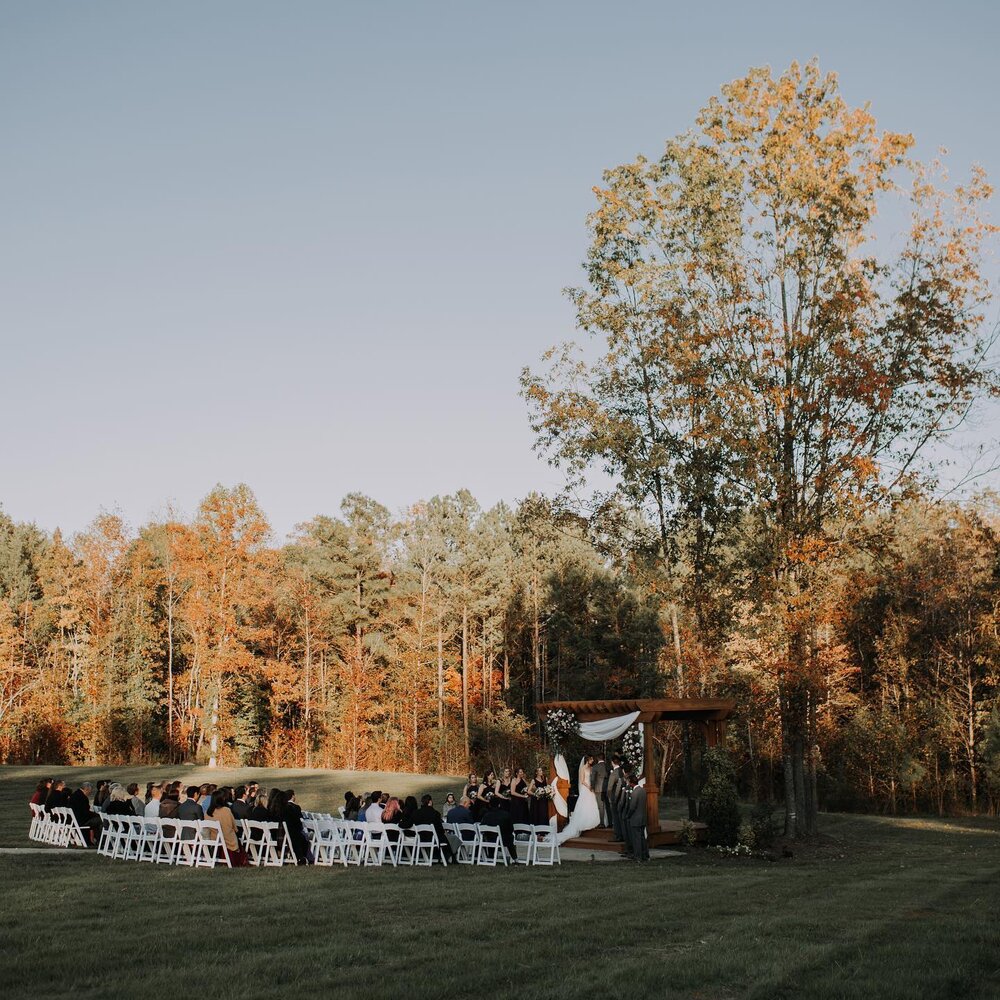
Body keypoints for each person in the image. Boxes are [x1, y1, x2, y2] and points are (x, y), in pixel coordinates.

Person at [557, 756, 601, 844]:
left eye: (592, 759)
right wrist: (588, 786)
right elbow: (582, 780)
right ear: (587, 760)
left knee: (593, 804)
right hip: (586, 788)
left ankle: (593, 821)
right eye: (591, 759)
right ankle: (584, 822)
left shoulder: (592, 768)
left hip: (591, 788)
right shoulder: (583, 768)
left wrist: (593, 786)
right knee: (585, 805)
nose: (592, 761)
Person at [204, 789, 247, 866]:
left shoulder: (208, 812)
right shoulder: (226, 810)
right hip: (227, 838)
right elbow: (233, 826)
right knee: (236, 836)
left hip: (214, 837)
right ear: (222, 799)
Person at [412, 794, 455, 864]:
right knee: (450, 838)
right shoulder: (435, 813)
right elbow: (440, 828)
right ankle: (450, 857)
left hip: (420, 838)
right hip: (434, 839)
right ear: (430, 802)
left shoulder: (416, 813)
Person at [281, 789, 312, 865]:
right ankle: (307, 857)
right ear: (292, 796)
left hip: (285, 834)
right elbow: (300, 821)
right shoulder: (295, 807)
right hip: (294, 833)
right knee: (305, 837)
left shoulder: (282, 807)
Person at [624, 775, 649, 862]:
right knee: (642, 838)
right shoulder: (643, 790)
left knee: (636, 839)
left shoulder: (634, 793)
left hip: (635, 818)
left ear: (631, 783)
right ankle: (645, 855)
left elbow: (632, 807)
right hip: (643, 817)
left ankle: (638, 857)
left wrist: (628, 815)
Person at [591, 755, 609, 827]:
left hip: (598, 789)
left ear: (598, 758)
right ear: (604, 758)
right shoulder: (608, 766)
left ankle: (602, 823)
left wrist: (592, 786)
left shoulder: (595, 767)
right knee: (608, 806)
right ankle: (610, 823)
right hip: (608, 788)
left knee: (600, 806)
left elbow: (592, 779)